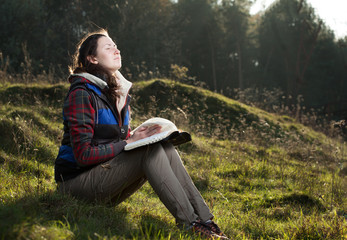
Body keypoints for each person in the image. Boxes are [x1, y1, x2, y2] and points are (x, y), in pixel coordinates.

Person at [54, 29, 229, 239]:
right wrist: (131, 141)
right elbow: (84, 155)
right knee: (148, 151)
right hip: (75, 186)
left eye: (115, 45)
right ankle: (190, 225)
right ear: (92, 58)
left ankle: (204, 220)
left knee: (163, 144)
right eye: (108, 47)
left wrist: (140, 134)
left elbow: (115, 139)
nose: (116, 49)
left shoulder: (116, 92)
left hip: (104, 178)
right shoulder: (82, 93)